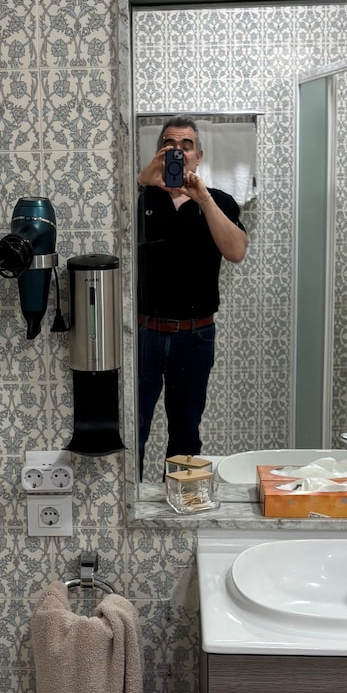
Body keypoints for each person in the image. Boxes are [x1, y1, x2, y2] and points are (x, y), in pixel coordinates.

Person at [135, 118, 247, 474]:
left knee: (186, 431)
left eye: (185, 145)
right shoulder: (136, 200)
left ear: (198, 156)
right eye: (169, 144)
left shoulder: (220, 202)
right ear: (158, 153)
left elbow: (236, 251)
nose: (177, 150)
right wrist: (141, 181)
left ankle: (183, 507)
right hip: (142, 333)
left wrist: (204, 198)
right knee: (133, 428)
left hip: (195, 335)